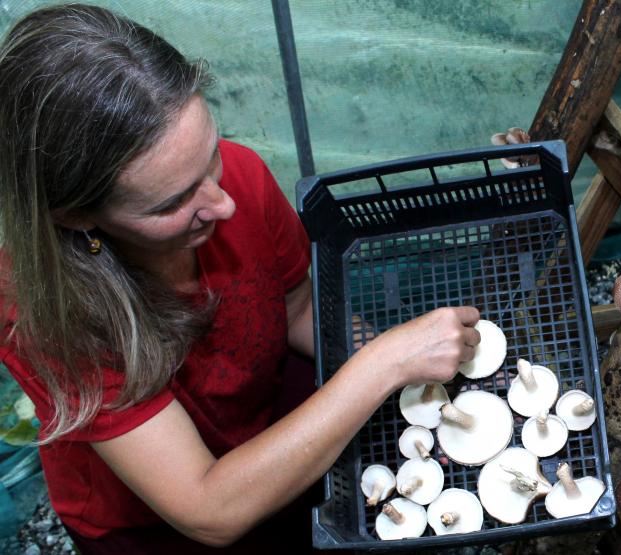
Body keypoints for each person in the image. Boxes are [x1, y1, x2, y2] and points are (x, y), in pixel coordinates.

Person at [0, 4, 481, 553]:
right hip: (157, 517)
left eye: (210, 156)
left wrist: (415, 381)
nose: (224, 204)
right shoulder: (42, 310)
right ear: (77, 216)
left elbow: (299, 308)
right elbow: (208, 509)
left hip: (267, 411)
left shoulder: (243, 177)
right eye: (175, 201)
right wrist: (385, 361)